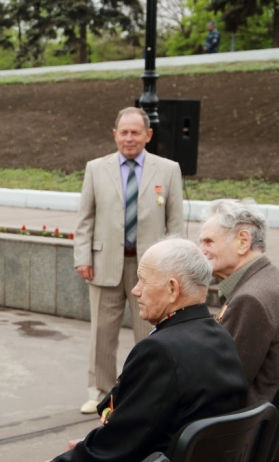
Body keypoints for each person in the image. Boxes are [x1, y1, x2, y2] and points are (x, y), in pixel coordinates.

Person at [50, 238, 248, 462]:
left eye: (143, 281)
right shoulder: (220, 336)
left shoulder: (160, 350)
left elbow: (120, 445)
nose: (135, 290)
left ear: (172, 289)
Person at [73, 107, 184, 414]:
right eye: (124, 132)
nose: (129, 138)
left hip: (152, 270)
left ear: (148, 135)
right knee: (101, 335)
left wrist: (174, 265)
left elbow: (176, 223)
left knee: (151, 334)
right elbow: (85, 219)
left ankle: (148, 393)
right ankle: (101, 394)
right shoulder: (96, 168)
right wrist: (83, 256)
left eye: (136, 132)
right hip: (104, 262)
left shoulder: (168, 169)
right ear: (115, 134)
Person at [199, 198, 279, 405]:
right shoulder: (268, 278)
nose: (201, 251)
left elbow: (225, 383)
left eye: (209, 242)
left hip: (245, 429)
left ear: (243, 241)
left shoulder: (249, 298)